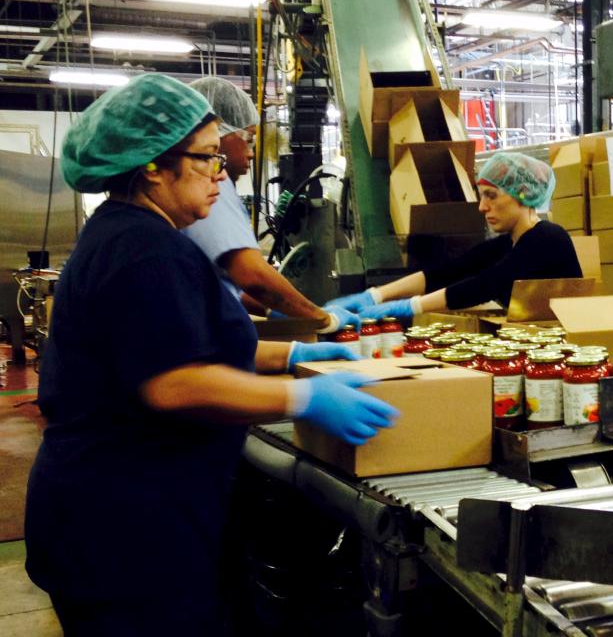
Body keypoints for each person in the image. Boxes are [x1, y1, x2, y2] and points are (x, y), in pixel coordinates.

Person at [24, 74, 399, 637]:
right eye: (207, 159)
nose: (220, 176)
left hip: (127, 513)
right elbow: (173, 383)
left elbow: (194, 343)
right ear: (154, 165)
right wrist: (303, 395)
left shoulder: (143, 236)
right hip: (122, 525)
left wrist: (297, 352)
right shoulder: (142, 249)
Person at [182, 76, 356, 329]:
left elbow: (228, 288)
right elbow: (250, 276)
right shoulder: (212, 186)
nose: (252, 153)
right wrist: (322, 318)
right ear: (219, 131)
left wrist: (274, 312)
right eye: (248, 139)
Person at [327, 151, 583, 319]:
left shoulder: (548, 239)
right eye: (482, 197)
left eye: (492, 196)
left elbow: (486, 285)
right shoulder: (509, 243)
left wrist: (409, 307)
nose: (482, 207)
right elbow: (451, 271)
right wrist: (376, 295)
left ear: (524, 194)